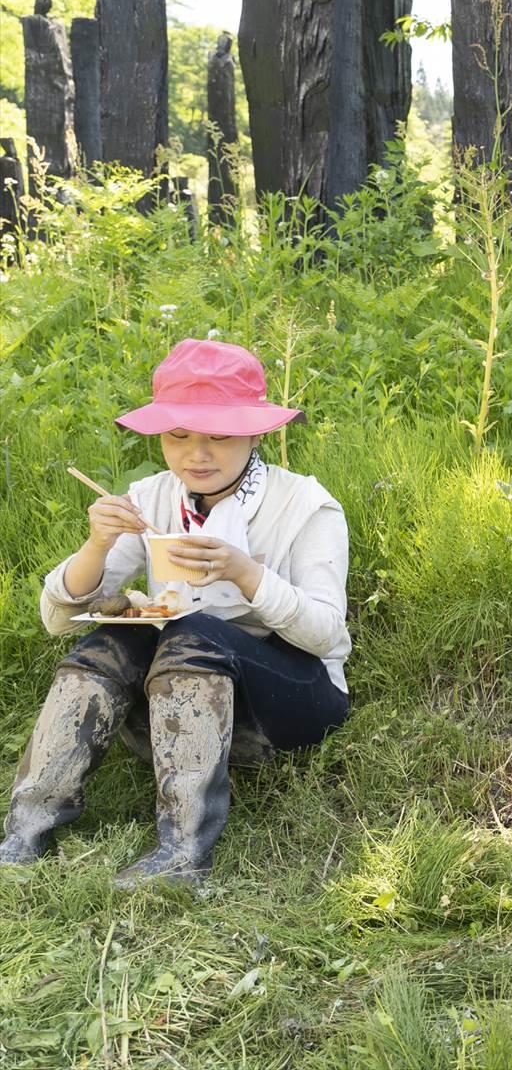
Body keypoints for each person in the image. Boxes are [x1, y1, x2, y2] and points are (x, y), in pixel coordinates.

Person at [0, 339, 351, 888]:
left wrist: (244, 573)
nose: (197, 455)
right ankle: (24, 831)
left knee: (193, 630)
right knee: (109, 639)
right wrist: (96, 545)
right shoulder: (153, 497)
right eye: (179, 436)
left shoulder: (304, 505)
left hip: (288, 710)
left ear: (256, 431)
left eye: (220, 436)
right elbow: (57, 619)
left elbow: (328, 636)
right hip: (177, 716)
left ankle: (183, 854)